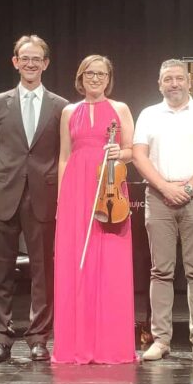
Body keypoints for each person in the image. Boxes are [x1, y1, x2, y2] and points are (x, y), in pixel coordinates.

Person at [0, 35, 68, 363]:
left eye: (37, 59)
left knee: (43, 271)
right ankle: (1, 338)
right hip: (4, 194)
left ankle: (38, 337)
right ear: (15, 62)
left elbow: (62, 153)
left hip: (43, 196)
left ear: (45, 63)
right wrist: (8, 176)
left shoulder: (60, 106)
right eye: (25, 58)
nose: (31, 64)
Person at [132, 59, 193, 362]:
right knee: (161, 270)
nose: (174, 83)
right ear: (160, 84)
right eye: (168, 79)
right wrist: (164, 187)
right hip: (159, 195)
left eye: (179, 78)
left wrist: (188, 188)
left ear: (189, 82)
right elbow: (139, 156)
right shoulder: (148, 114)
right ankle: (161, 340)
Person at [52, 55, 136, 364]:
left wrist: (120, 152)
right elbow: (63, 156)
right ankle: (75, 345)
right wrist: (62, 199)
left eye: (101, 74)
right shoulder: (68, 111)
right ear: (81, 76)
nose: (95, 78)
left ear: (108, 78)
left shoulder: (121, 109)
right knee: (75, 265)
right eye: (90, 73)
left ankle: (110, 346)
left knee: (110, 263)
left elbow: (133, 151)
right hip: (76, 189)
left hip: (109, 189)